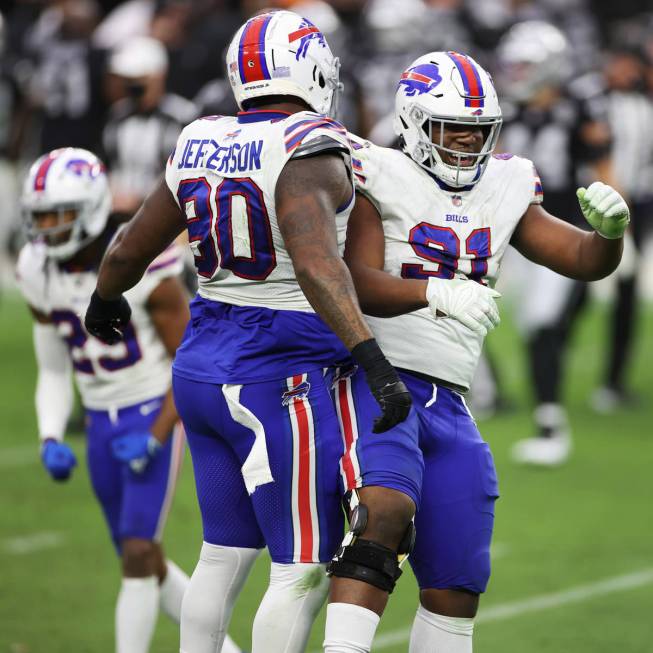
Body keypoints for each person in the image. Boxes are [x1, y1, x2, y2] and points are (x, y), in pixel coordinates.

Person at [83, 10, 418, 653]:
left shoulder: (200, 135)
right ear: (315, 70)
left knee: (222, 554)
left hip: (202, 364)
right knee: (300, 566)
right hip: (277, 372)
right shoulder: (309, 144)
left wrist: (105, 296)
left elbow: (130, 246)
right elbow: (319, 267)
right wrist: (372, 359)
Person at [343, 51, 628, 652]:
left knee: (460, 577)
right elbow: (356, 279)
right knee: (381, 517)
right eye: (454, 126)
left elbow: (580, 260)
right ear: (415, 122)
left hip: (448, 397)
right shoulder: (379, 171)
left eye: (480, 126)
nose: (470, 139)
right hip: (375, 383)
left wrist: (608, 237)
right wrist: (432, 291)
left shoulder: (504, 181)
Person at [15, 147, 243, 653]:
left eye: (59, 216)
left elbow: (190, 365)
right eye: (41, 217)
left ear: (91, 209)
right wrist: (51, 433)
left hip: (151, 408)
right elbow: (53, 367)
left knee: (139, 552)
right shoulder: (37, 268)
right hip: (98, 422)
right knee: (143, 560)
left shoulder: (145, 267)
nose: (48, 229)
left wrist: (157, 435)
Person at [496, 21, 617, 465]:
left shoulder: (578, 107)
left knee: (544, 324)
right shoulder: (508, 109)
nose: (516, 71)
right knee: (533, 326)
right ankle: (539, 414)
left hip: (566, 230)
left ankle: (550, 426)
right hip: (521, 234)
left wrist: (617, 230)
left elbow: (603, 166)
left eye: (524, 63)